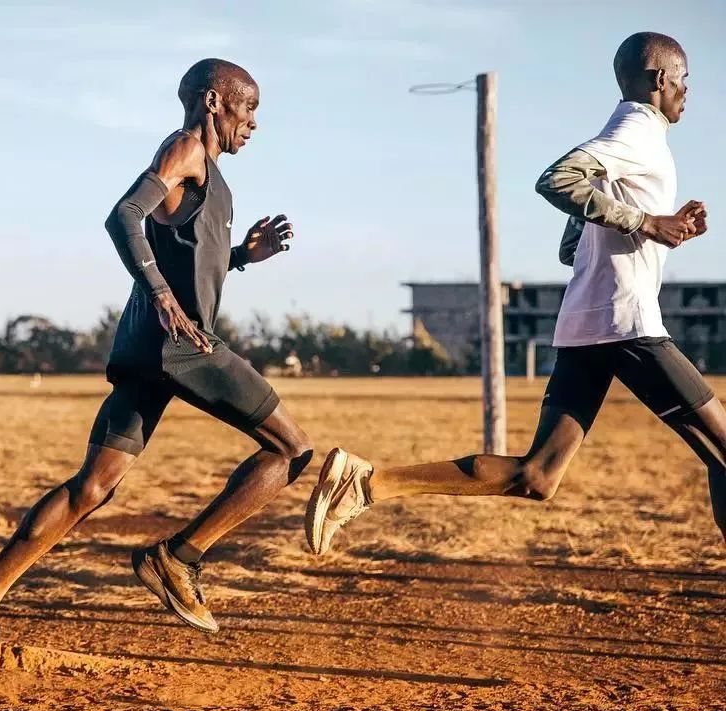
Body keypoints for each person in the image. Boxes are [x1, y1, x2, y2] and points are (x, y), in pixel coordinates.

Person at [0, 58, 312, 695]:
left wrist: (244, 257)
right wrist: (162, 294)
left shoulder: (208, 176)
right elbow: (122, 216)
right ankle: (178, 557)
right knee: (291, 450)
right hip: (181, 342)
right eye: (248, 109)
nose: (254, 124)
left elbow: (182, 249)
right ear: (215, 101)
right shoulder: (187, 149)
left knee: (93, 487)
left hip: (146, 346)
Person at [304, 32, 724, 556]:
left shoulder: (633, 139)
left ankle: (367, 483)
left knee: (537, 475)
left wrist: (658, 226)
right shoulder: (637, 130)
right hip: (626, 322)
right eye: (684, 78)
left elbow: (573, 246)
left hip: (586, 324)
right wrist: (646, 221)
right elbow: (555, 180)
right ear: (659, 79)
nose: (689, 90)